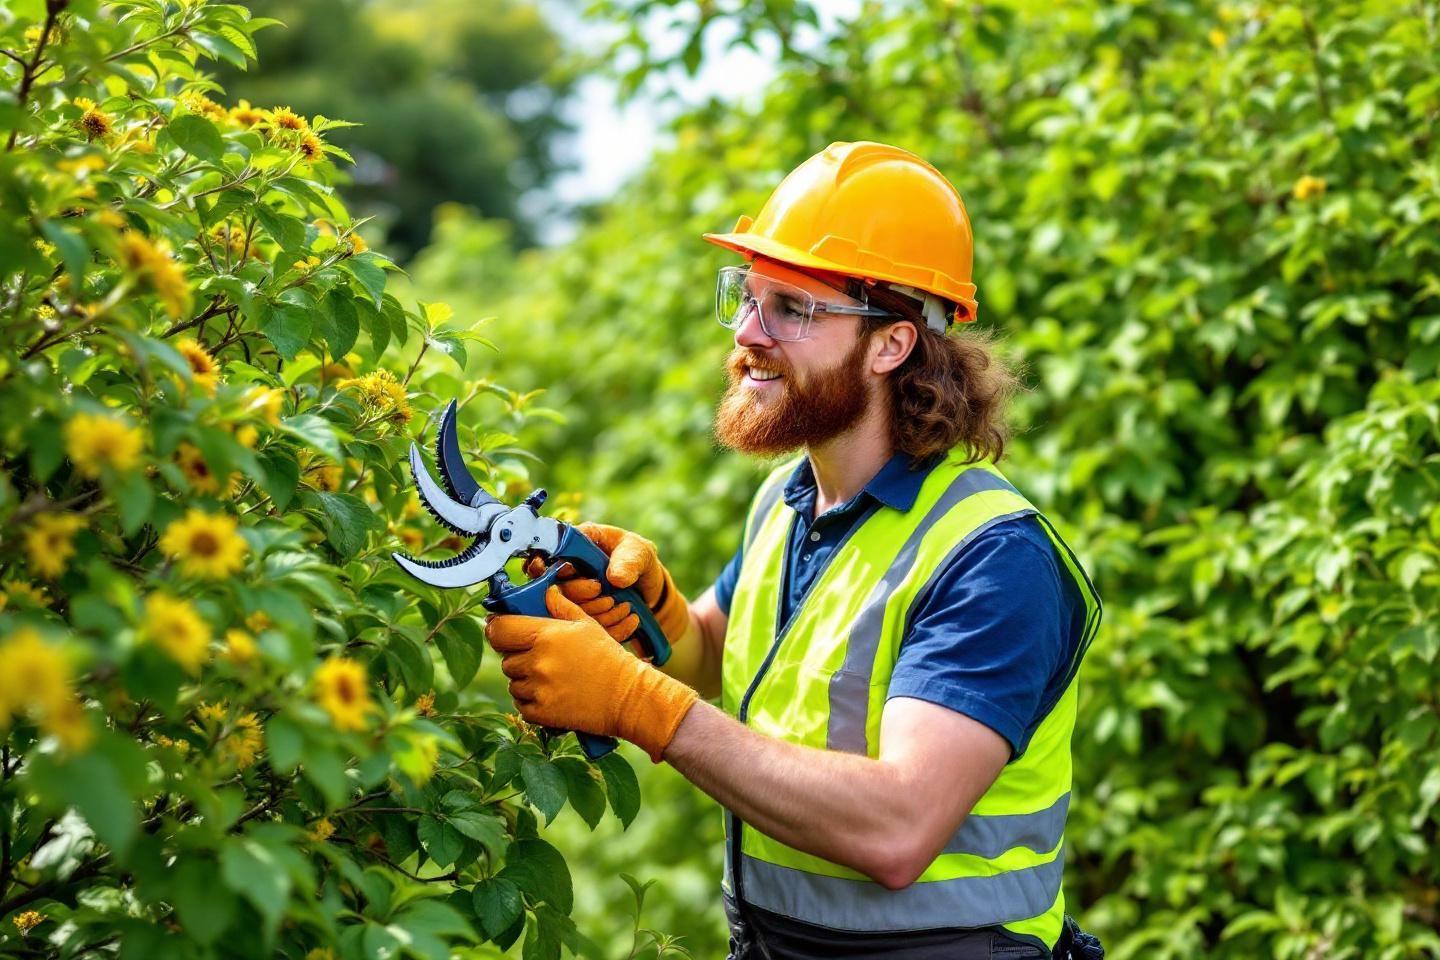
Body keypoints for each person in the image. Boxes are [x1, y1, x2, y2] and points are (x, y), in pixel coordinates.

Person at [485, 141, 1104, 960]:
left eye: (792, 309)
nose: (748, 333)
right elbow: (711, 659)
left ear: (891, 345)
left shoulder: (993, 558)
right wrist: (648, 615)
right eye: (747, 297)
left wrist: (639, 704)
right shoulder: (788, 497)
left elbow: (898, 828)